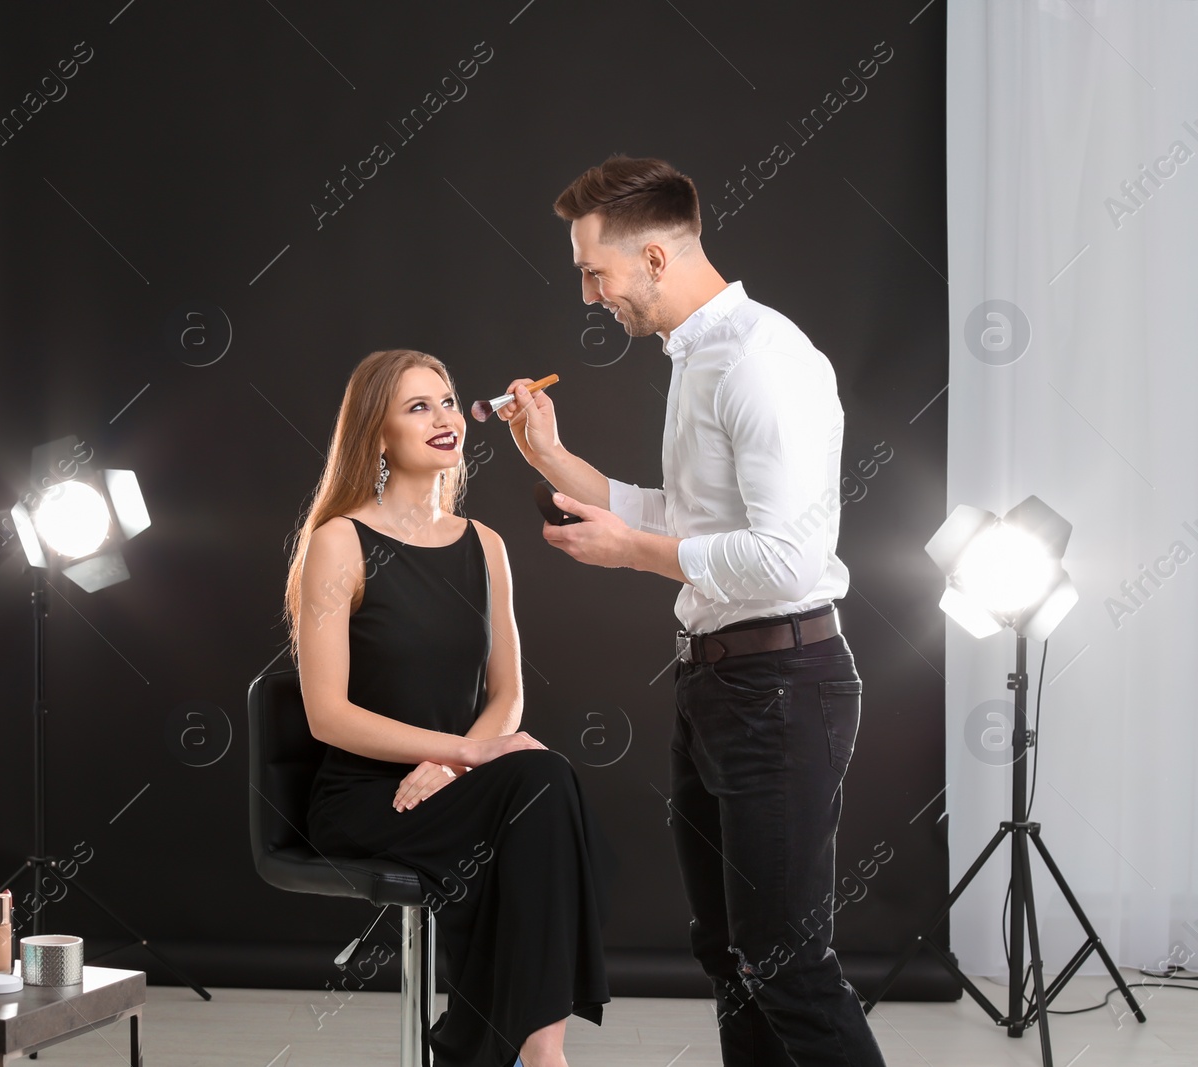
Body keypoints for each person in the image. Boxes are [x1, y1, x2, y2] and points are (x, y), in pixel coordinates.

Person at [495, 156, 886, 1067]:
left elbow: (788, 556)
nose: (591, 296)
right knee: (733, 955)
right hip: (720, 683)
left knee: (785, 964)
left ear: (659, 257)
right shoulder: (698, 354)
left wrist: (631, 552)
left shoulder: (758, 358)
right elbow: (697, 519)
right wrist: (552, 458)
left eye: (598, 272)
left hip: (782, 686)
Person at [284, 348, 613, 1067]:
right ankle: (517, 1054)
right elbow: (326, 716)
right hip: (370, 796)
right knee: (538, 782)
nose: (442, 418)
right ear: (377, 434)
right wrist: (461, 754)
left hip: (456, 787)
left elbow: (508, 695)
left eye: (446, 401)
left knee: (542, 781)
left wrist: (454, 764)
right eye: (416, 406)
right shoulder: (339, 542)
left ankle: (528, 1050)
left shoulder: (486, 546)